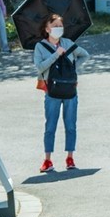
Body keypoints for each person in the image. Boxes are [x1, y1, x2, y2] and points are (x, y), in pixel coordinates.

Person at [33, 13, 90, 173]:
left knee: (71, 125)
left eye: (60, 26)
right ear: (47, 28)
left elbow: (85, 55)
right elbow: (40, 67)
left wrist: (72, 68)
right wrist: (55, 55)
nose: (58, 29)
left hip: (70, 89)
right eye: (55, 26)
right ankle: (47, 160)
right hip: (51, 90)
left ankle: (70, 157)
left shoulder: (68, 43)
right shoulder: (40, 47)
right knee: (50, 126)